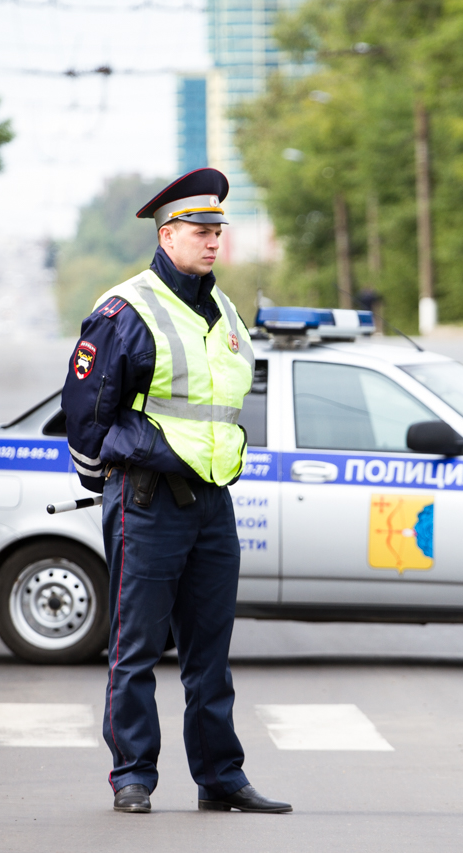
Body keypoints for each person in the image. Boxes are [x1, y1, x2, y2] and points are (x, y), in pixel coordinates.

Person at [62, 168, 292, 816]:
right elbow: (86, 409)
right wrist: (109, 482)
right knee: (135, 649)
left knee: (210, 654)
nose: (214, 240)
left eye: (219, 229)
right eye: (200, 229)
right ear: (167, 235)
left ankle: (221, 776)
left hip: (213, 501)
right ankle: (133, 774)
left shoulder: (222, 308)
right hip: (148, 499)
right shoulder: (125, 309)